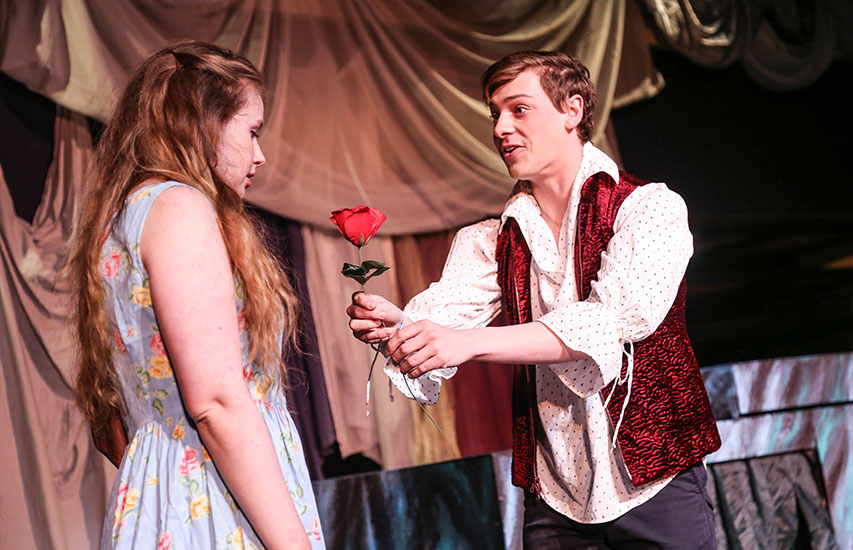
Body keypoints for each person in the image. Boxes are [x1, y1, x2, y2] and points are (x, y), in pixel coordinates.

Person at [347, 51, 720, 549]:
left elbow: (609, 322)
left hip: (653, 485)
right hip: (556, 496)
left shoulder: (648, 209)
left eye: (518, 110)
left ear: (572, 110)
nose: (501, 128)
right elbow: (446, 316)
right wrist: (403, 328)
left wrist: (468, 344)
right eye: (495, 113)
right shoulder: (493, 239)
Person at [67, 40, 324, 549]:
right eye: (251, 132)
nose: (260, 154)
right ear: (204, 123)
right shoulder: (179, 208)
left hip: (173, 495)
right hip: (212, 501)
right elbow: (216, 401)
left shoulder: (129, 215)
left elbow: (116, 425)